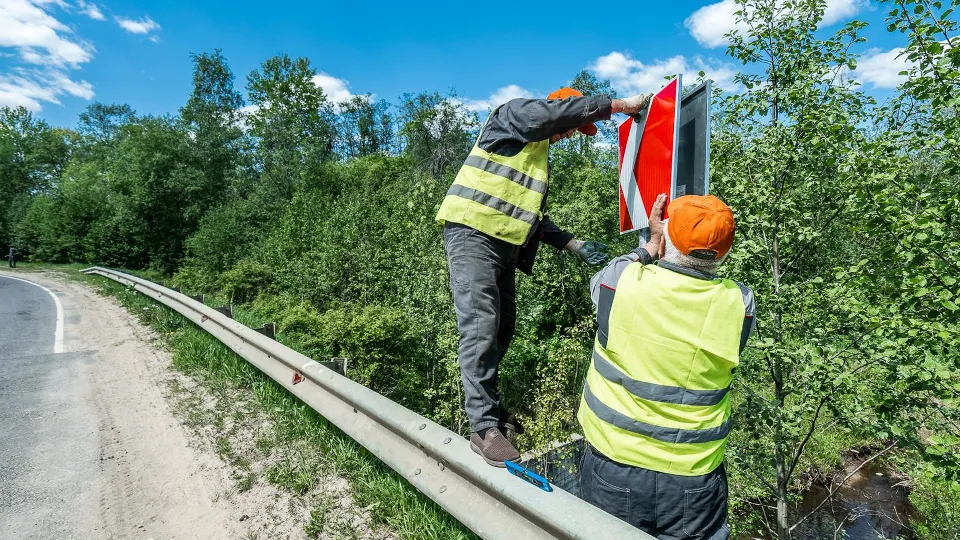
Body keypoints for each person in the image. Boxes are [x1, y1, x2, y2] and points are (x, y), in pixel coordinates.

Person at [437, 87, 654, 466]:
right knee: (480, 326)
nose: (571, 134)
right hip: (473, 233)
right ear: (559, 109)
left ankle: (491, 407)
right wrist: (619, 106)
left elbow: (531, 216)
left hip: (504, 243)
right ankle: (483, 427)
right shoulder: (514, 117)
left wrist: (575, 245)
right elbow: (549, 115)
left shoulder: (536, 159)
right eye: (574, 126)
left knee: (502, 328)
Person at [577, 193, 755, 540]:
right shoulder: (741, 303)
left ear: (669, 236)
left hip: (615, 464)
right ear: (726, 252)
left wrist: (653, 242)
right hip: (695, 477)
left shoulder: (622, 281)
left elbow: (609, 274)